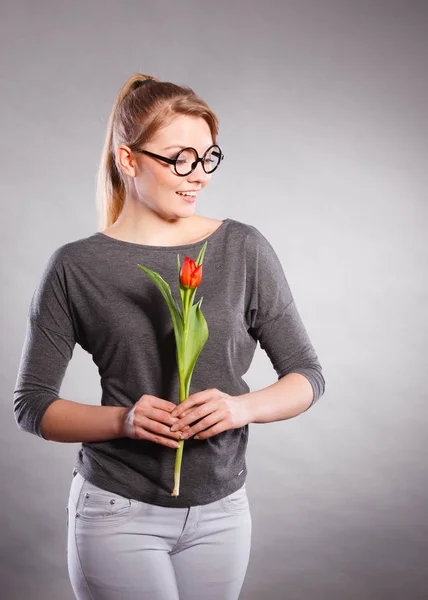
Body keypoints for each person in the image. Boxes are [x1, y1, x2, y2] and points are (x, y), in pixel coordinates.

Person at [13, 73, 326, 600]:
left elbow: (307, 376)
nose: (198, 175)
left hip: (224, 510)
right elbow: (32, 405)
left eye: (207, 158)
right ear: (128, 159)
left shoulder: (242, 247)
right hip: (117, 509)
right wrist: (124, 421)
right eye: (179, 158)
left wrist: (240, 409)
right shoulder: (76, 265)